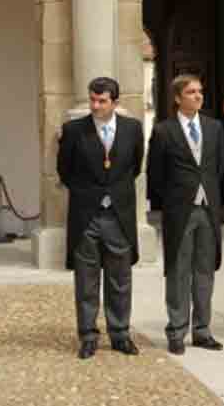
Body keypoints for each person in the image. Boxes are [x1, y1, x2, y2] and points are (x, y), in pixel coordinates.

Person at [57, 77, 144, 359]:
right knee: (86, 280)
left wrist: (112, 195)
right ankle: (88, 335)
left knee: (120, 279)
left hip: (119, 216)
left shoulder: (133, 129)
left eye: (102, 101)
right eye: (92, 100)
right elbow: (64, 171)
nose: (95, 105)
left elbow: (135, 167)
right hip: (87, 216)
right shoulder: (73, 131)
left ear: (115, 103)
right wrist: (90, 195)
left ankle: (120, 334)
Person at [147, 75, 224, 355]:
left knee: (204, 272)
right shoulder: (163, 131)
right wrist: (175, 197)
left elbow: (219, 167)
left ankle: (202, 330)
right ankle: (176, 330)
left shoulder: (214, 127)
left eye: (200, 91)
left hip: (208, 210)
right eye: (191, 92)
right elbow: (156, 175)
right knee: (179, 272)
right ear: (178, 98)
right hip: (179, 211)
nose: (198, 96)